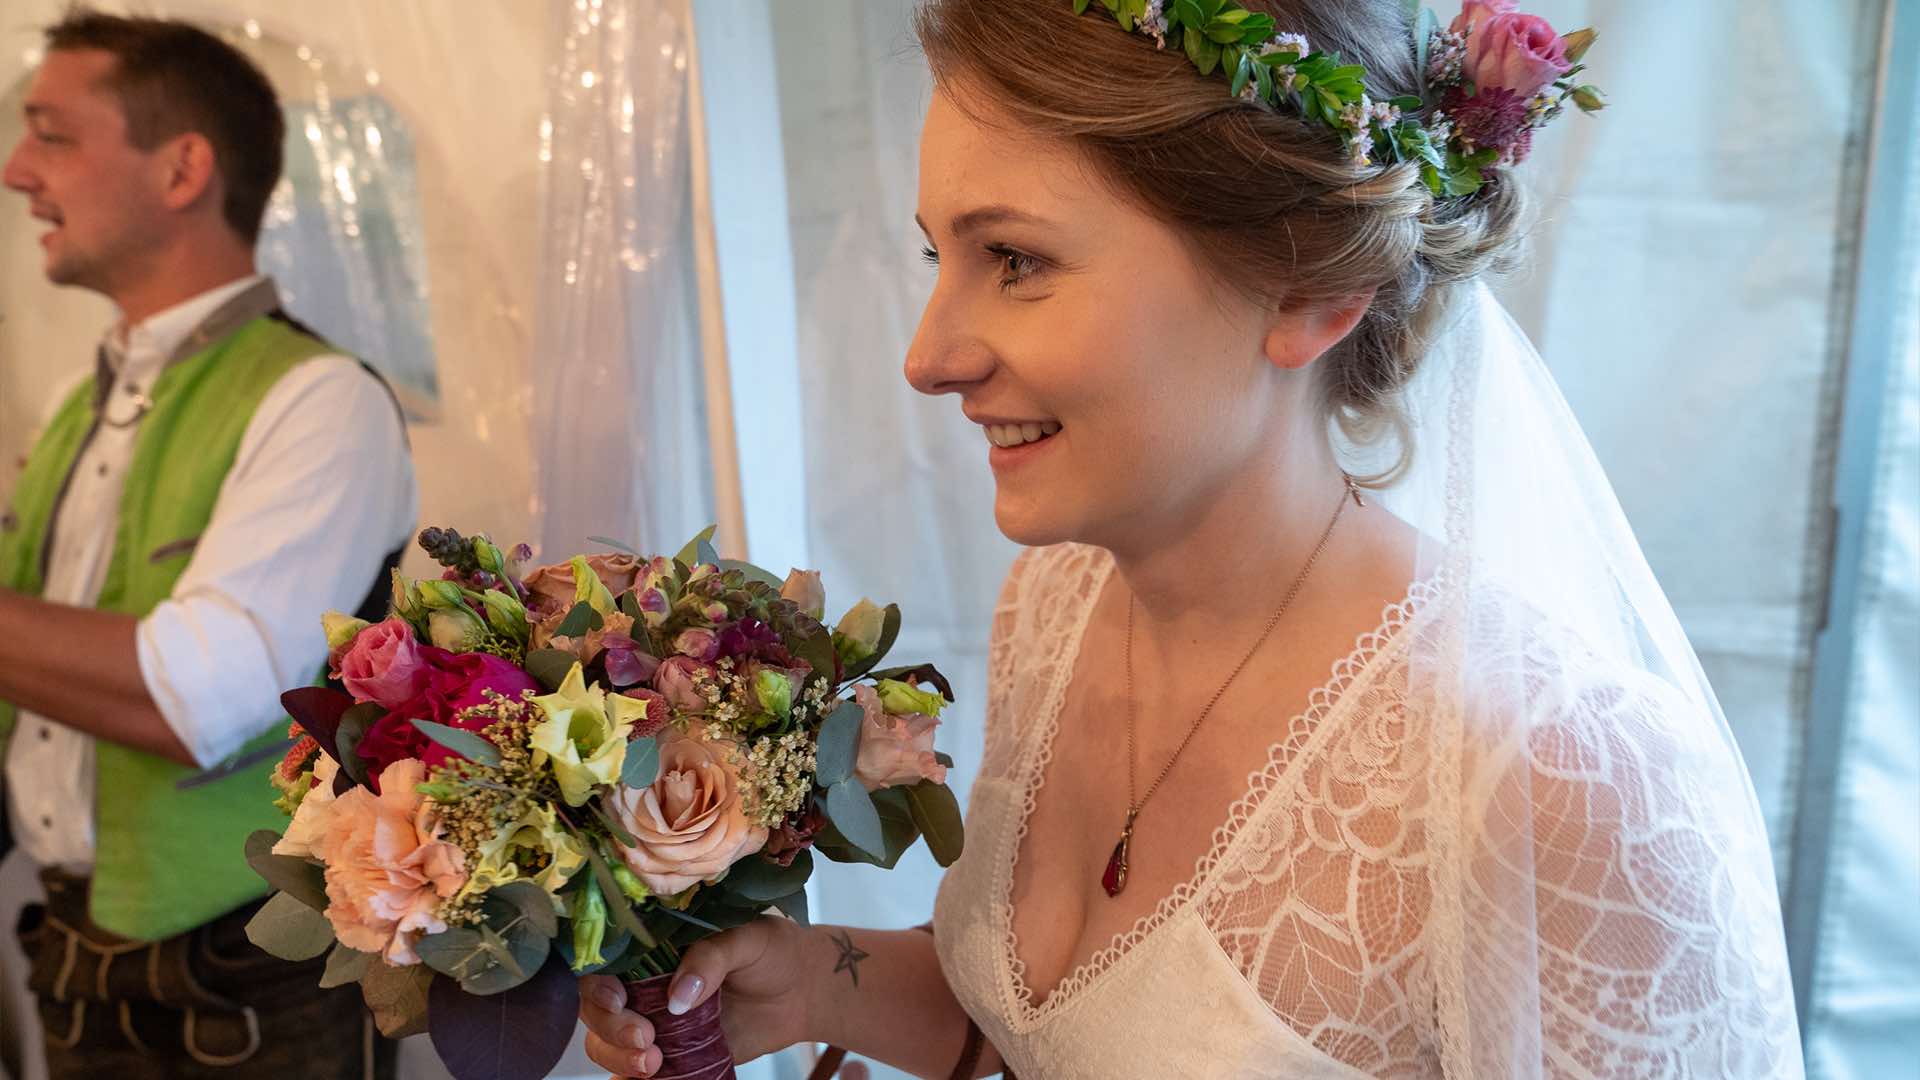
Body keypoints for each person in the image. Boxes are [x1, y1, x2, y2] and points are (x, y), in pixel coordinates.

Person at [580, 0, 1801, 1076]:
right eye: (936, 253)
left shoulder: (1562, 785)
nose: (928, 356)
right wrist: (810, 980)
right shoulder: (1057, 603)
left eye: (1015, 259)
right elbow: (1065, 1030)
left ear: (1306, 290)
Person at [0, 10, 414, 1078]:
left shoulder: (321, 401)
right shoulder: (67, 410)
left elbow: (198, 699)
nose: (14, 171)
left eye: (52, 134)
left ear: (183, 167)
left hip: (253, 986)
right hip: (76, 962)